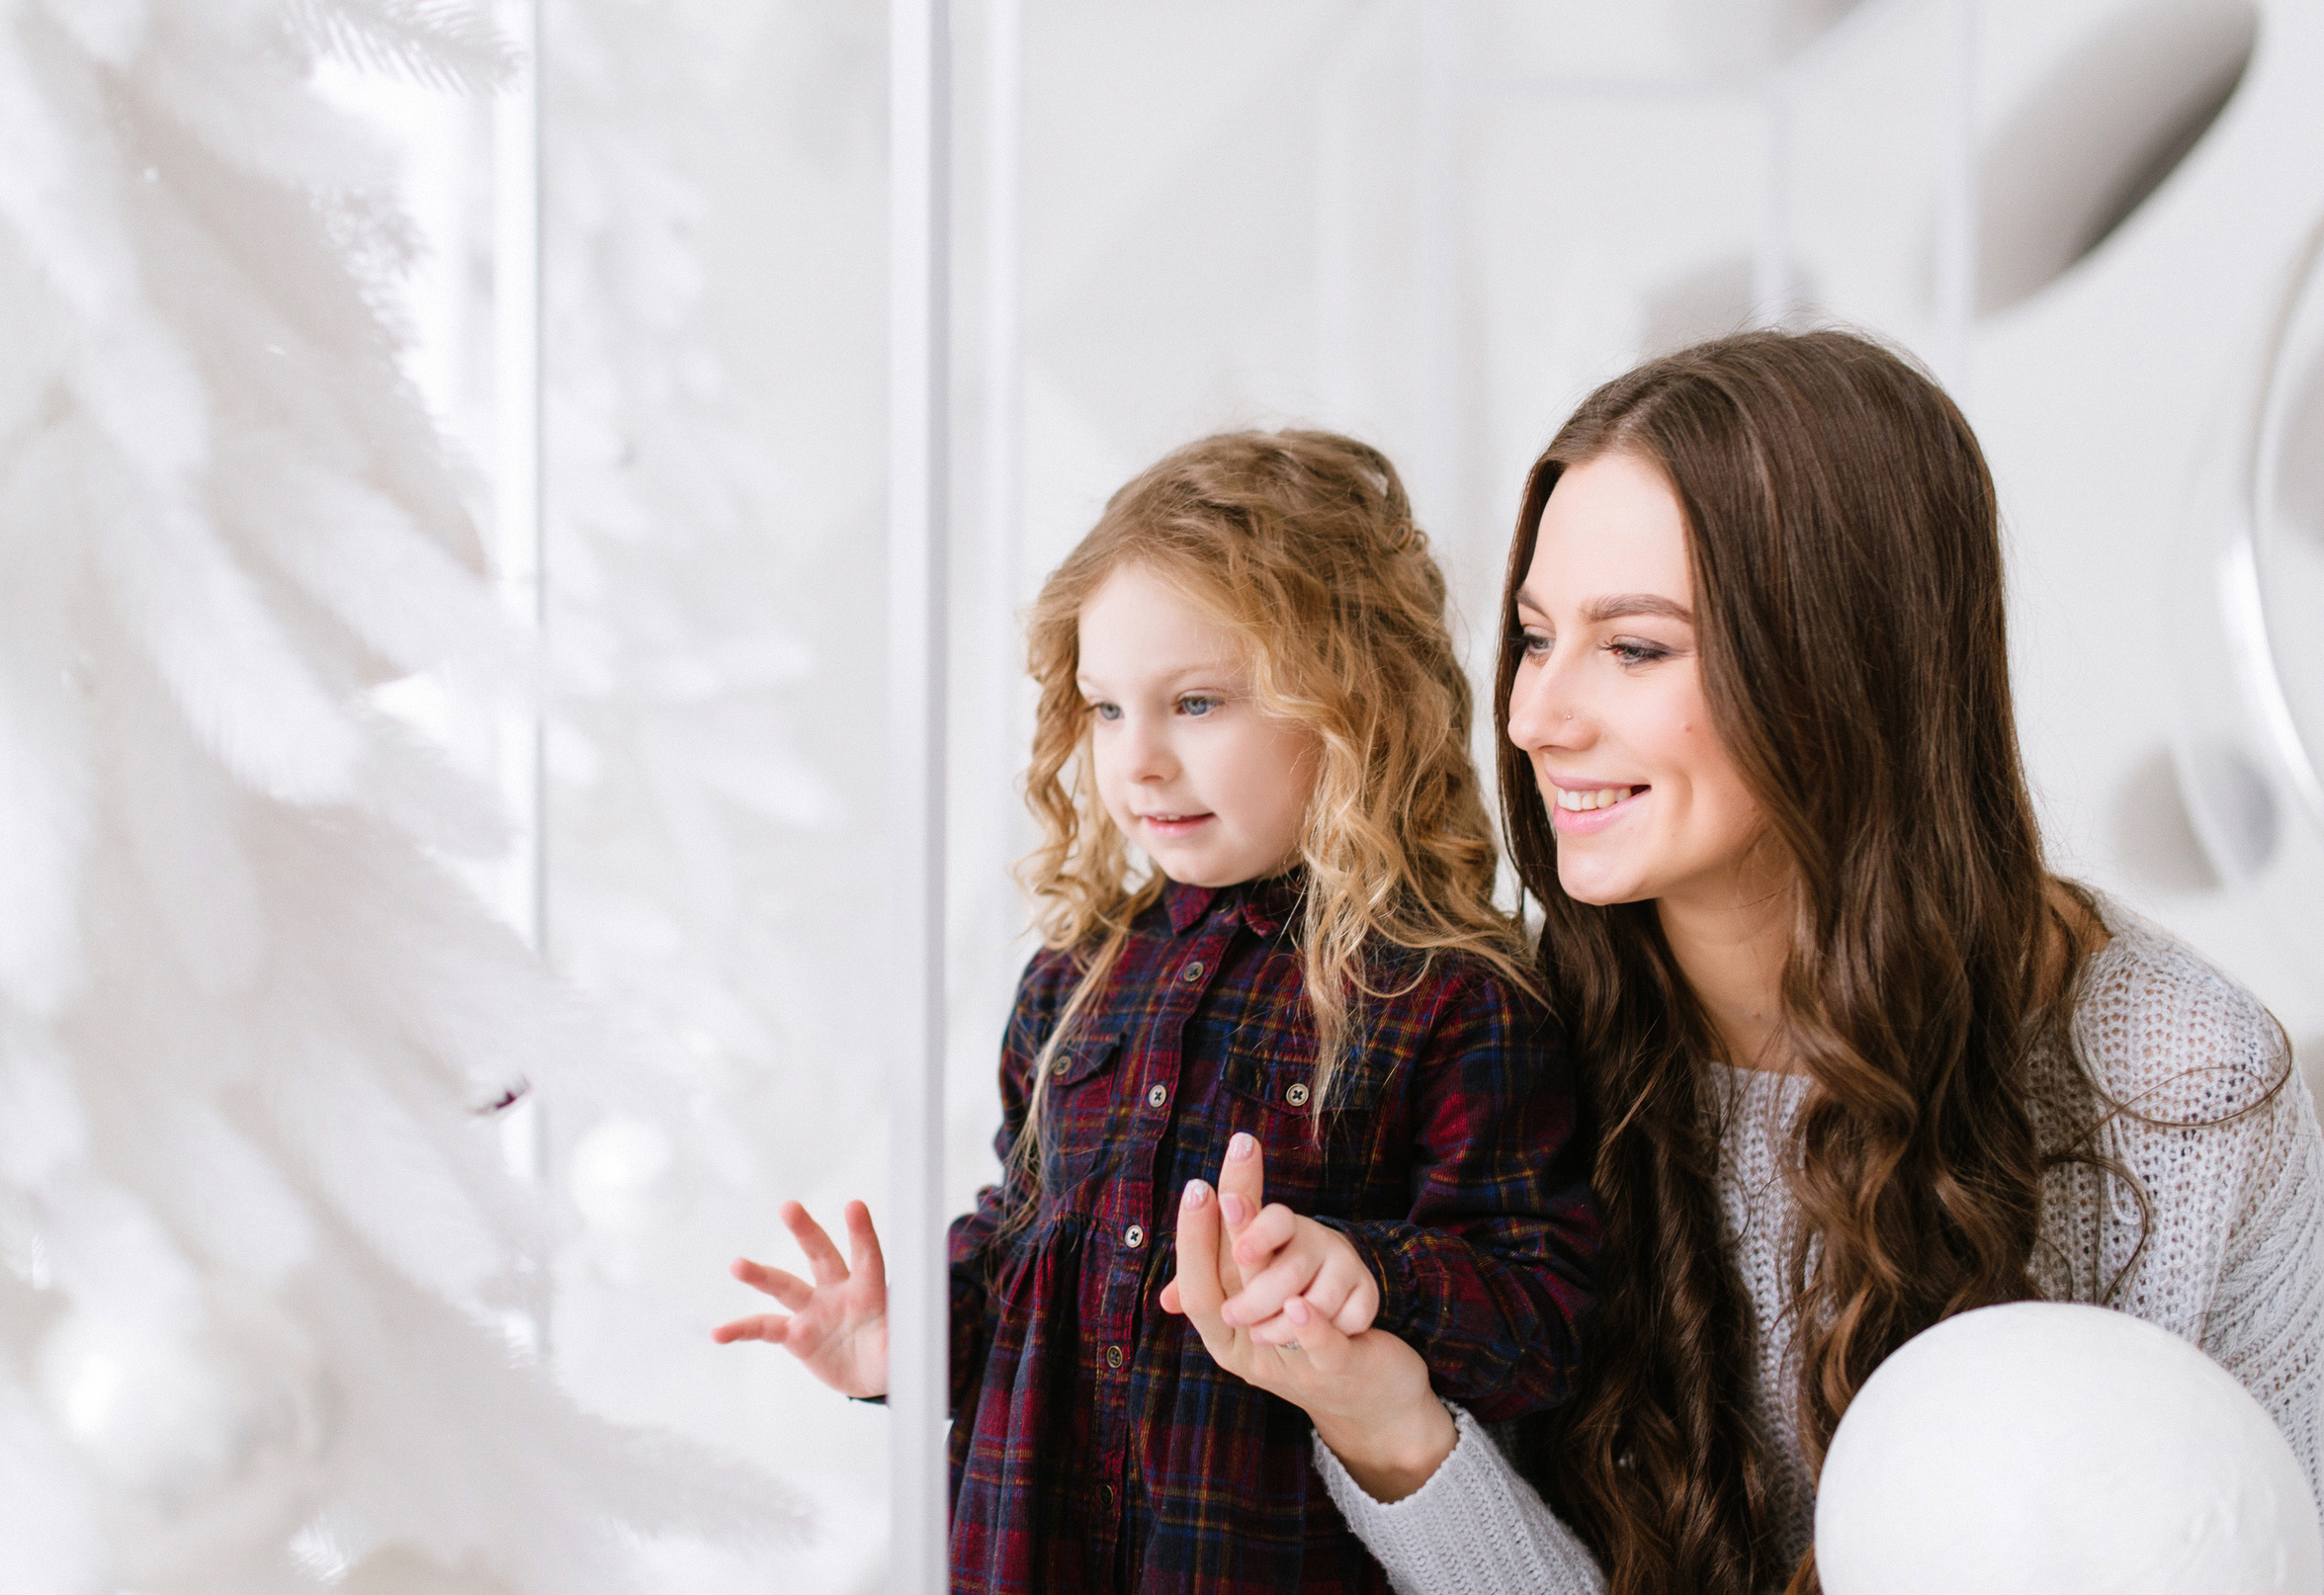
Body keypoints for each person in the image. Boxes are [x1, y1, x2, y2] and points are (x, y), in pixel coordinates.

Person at [1166, 332, 2324, 1594]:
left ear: (1840, 664)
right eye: (1534, 635)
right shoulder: (1494, 1045)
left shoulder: (2182, 1085)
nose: (1535, 716)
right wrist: (1390, 1429)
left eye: (1636, 647)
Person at [712, 431, 1600, 1592]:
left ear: (1351, 700)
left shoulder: (1447, 996)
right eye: (1103, 709)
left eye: (1194, 701)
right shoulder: (1072, 978)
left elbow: (1546, 1316)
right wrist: (904, 1342)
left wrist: (1369, 1271)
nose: (1137, 761)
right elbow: (1021, 1246)